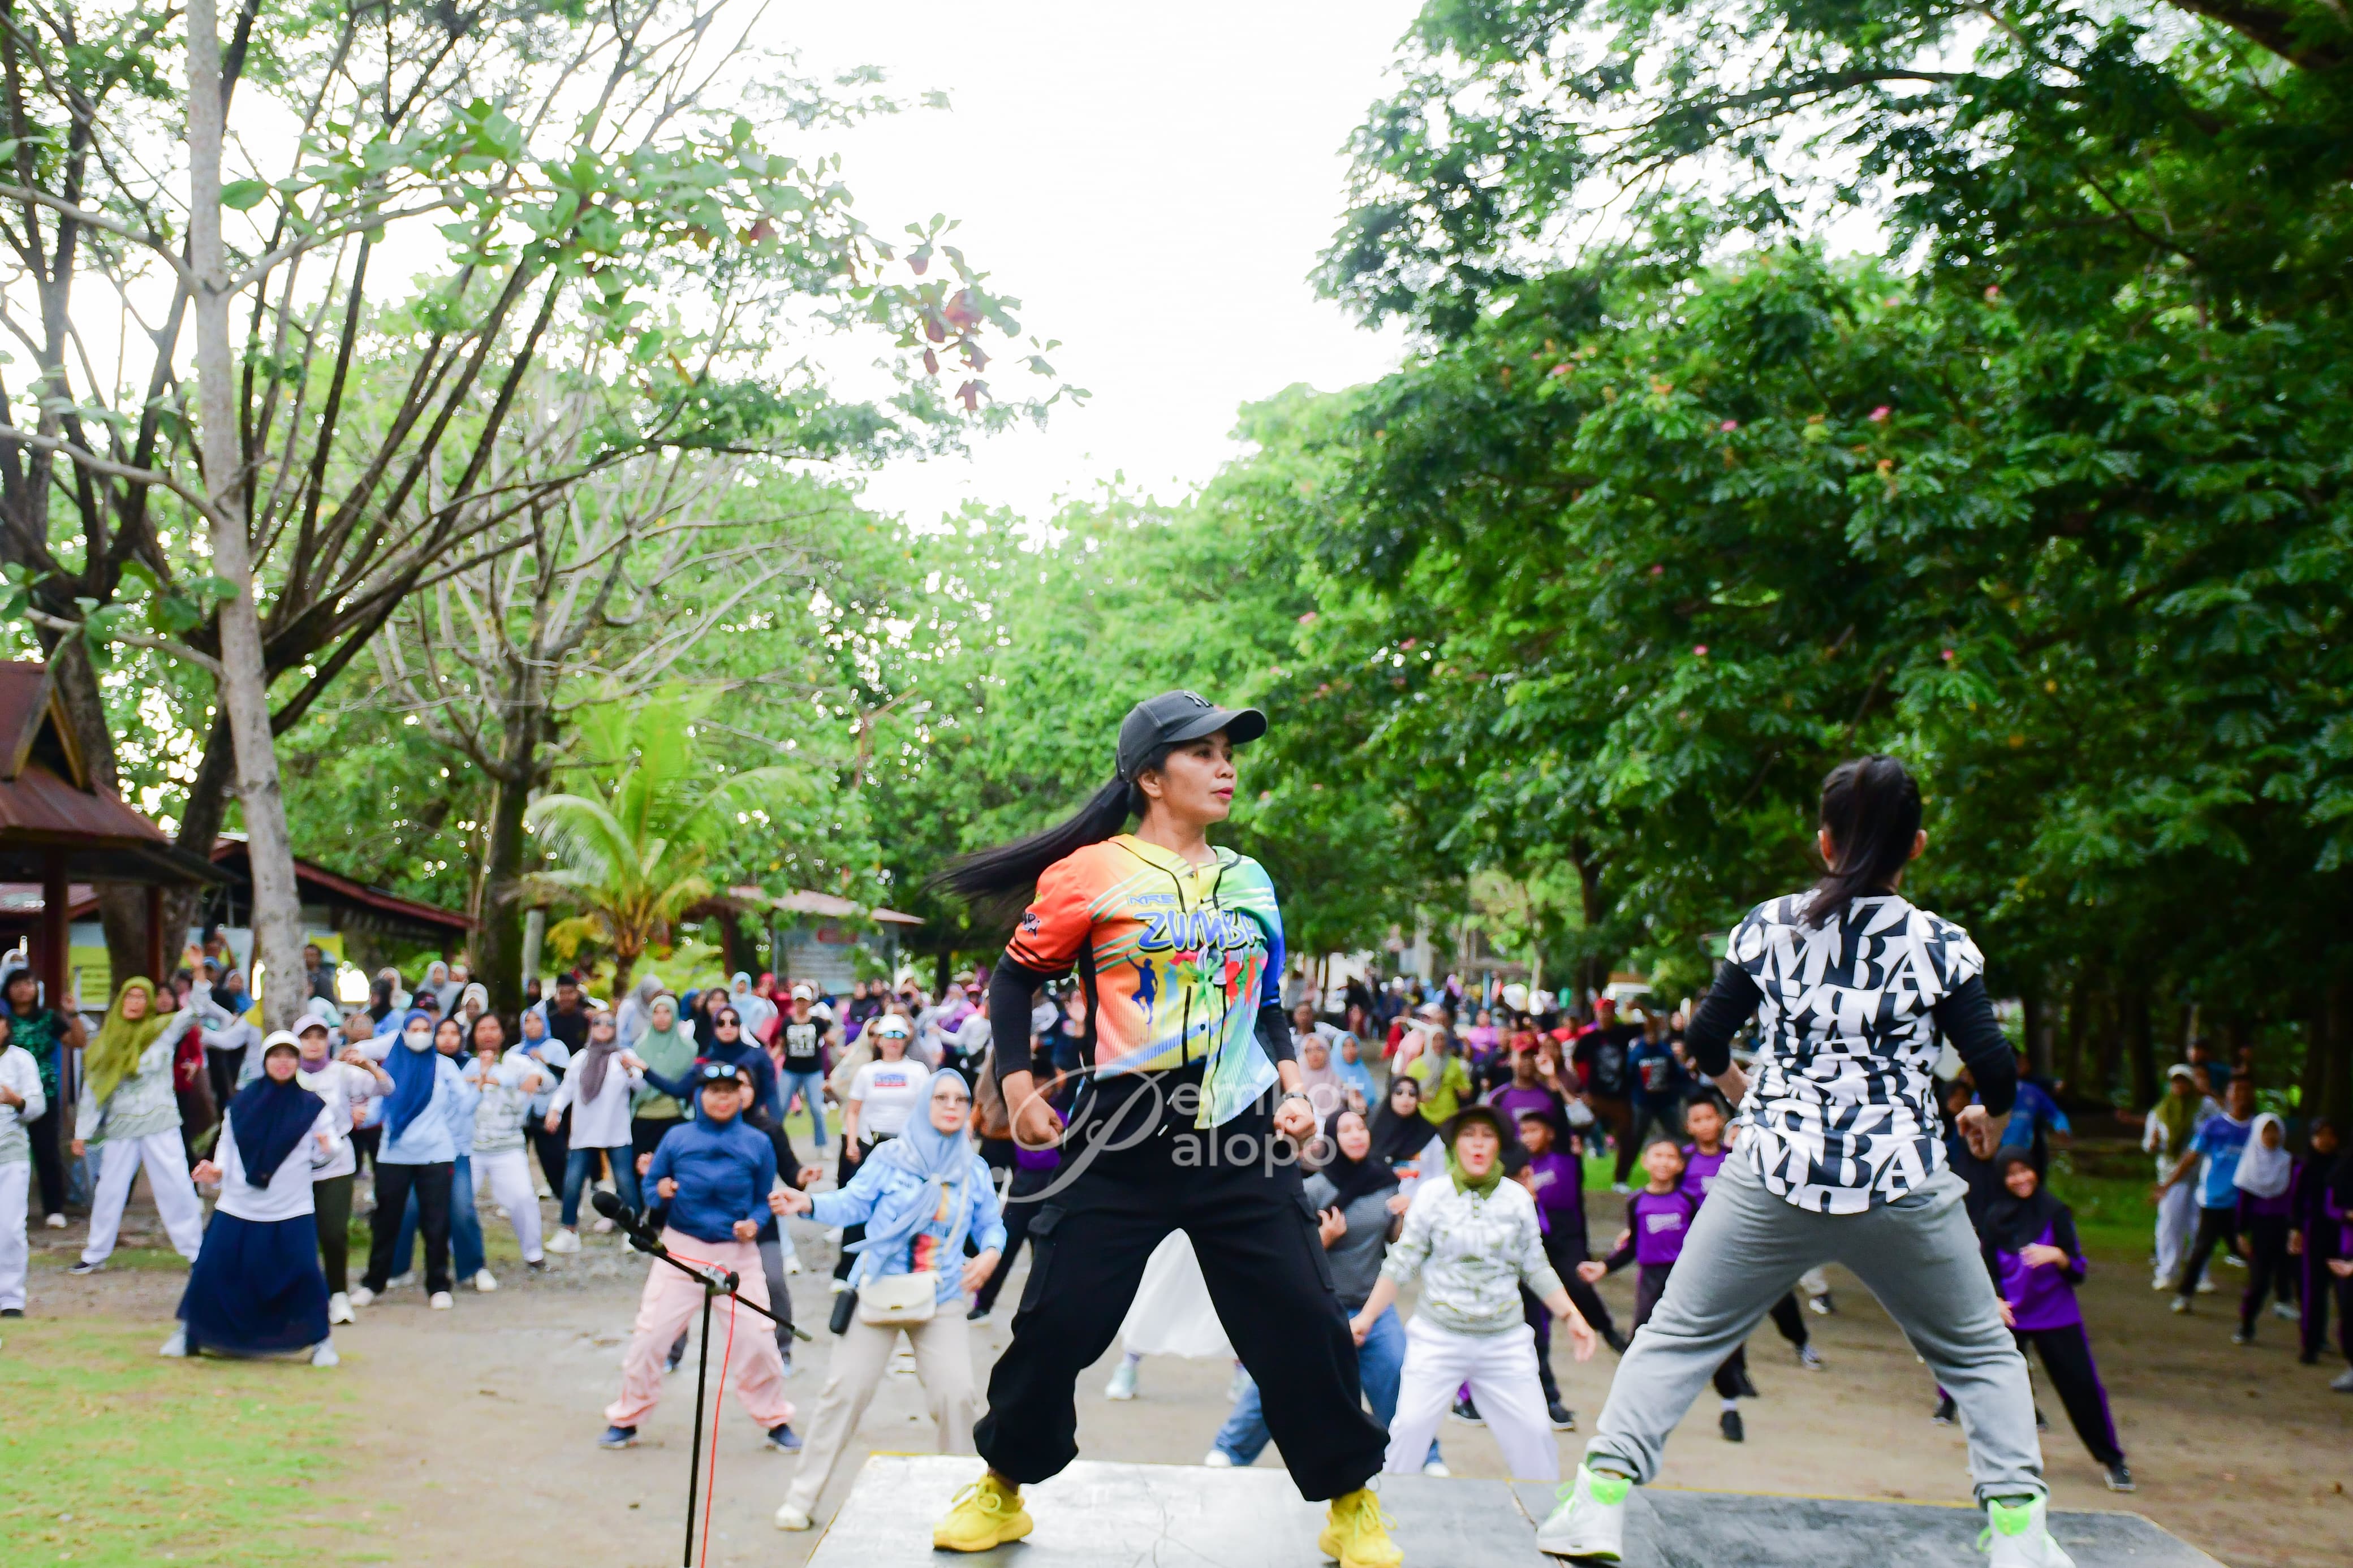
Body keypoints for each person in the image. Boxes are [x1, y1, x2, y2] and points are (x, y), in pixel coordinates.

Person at [1541, 755, 2062, 1568]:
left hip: (1774, 1170)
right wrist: (1983, 1120)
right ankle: (2022, 1537)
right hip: (1903, 1178)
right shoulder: (1939, 944)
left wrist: (1748, 1096)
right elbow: (1997, 1069)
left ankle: (1598, 1508)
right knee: (1979, 1353)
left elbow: (1706, 1040)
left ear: (1824, 843)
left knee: (1676, 1336)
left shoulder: (1772, 924)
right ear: (1916, 846)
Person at [926, 691, 1400, 1566]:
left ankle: (1352, 1502)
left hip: (1239, 1135)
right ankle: (1002, 1487)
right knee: (1060, 1319)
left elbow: (1264, 1008)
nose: (1227, 767)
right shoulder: (1089, 873)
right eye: (1205, 752)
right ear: (1151, 775)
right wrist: (1022, 1083)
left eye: (1231, 751)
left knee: (1302, 1316)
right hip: (1120, 1133)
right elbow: (1013, 981)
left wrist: (1295, 1091)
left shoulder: (1250, 881)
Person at [770, 1067, 1005, 1530]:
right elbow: (854, 1203)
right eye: (941, 1098)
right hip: (878, 1288)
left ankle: (960, 1501)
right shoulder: (890, 1157)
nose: (952, 1106)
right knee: (844, 1393)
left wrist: (992, 1253)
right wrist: (809, 1203)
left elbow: (991, 1224)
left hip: (941, 1295)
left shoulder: (972, 1168)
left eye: (960, 1099)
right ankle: (802, 1497)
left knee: (956, 1396)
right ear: (924, 1104)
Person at [1356, 1104, 1597, 1481]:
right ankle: (1389, 1517)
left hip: (1504, 1340)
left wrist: (1572, 1315)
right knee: (1409, 1429)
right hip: (1439, 1337)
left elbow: (1535, 1265)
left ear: (1499, 1145)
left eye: (1487, 1136)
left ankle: (1545, 1520)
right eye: (1469, 1135)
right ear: (1455, 1146)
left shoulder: (1517, 1198)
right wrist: (1367, 1318)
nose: (1478, 1144)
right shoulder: (1432, 1195)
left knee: (1535, 1434)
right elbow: (1401, 1263)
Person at [1206, 1107, 1447, 1475]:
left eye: (1361, 1128)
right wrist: (1326, 1236)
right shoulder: (1314, 1188)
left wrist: (1403, 1218)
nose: (1356, 1135)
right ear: (1331, 1139)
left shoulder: (1385, 1181)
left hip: (1371, 1307)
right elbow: (1290, 1251)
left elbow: (1392, 1240)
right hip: (1319, 1308)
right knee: (1282, 1375)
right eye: (1346, 1129)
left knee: (1395, 1372)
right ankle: (1231, 1449)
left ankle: (1425, 1455)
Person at [598, 1061, 799, 1453]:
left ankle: (776, 1419)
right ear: (699, 1096)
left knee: (759, 1342)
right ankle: (627, 1417)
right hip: (681, 1252)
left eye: (729, 1090)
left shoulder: (758, 1142)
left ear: (741, 1095)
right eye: (713, 1090)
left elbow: (763, 1199)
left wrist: (755, 1224)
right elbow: (651, 1185)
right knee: (650, 1338)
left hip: (737, 1256)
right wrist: (662, 1190)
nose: (722, 1098)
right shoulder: (677, 1136)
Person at [170, 1030, 341, 1364]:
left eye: (290, 1056)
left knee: (304, 1273)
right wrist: (217, 1172)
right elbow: (227, 1146)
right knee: (212, 1269)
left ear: (298, 1062)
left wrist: (327, 1149)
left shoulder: (312, 1107)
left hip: (292, 1206)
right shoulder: (242, 1102)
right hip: (238, 1204)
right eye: (276, 1056)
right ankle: (191, 1334)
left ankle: (320, 1341)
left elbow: (328, 1149)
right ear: (265, 1061)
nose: (283, 1063)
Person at [1981, 1152, 2131, 1491]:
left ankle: (2113, 1460)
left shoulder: (2055, 1212)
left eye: (2026, 1171)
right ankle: (2002, 1461)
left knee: (2082, 1387)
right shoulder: (1994, 1218)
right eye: (2012, 1174)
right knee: (1998, 1389)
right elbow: (1982, 1268)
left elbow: (2078, 1270)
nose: (2021, 1180)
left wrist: (2059, 1256)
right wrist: (1993, 1300)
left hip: (2055, 1313)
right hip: (2011, 1315)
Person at [70, 977, 206, 1273]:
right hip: (122, 1126)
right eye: (129, 996)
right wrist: (82, 1133)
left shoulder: (161, 1031)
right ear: (121, 1001)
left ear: (149, 1002)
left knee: (176, 1187)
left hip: (160, 1122)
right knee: (110, 1190)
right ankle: (95, 1253)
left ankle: (196, 1252)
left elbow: (195, 1011)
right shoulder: (106, 1041)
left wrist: (200, 975)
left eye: (141, 997)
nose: (134, 1003)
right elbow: (93, 1092)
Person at [1683, 1095, 1820, 1376]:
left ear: (1721, 1121)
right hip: (1706, 1246)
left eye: (1709, 1117)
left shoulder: (1739, 1156)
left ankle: (1801, 1341)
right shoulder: (1683, 1161)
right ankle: (1724, 1365)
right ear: (1689, 1127)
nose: (1705, 1124)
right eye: (1697, 1120)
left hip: (1747, 1239)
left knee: (1778, 1297)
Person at [351, 1008, 468, 1309]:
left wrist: (450, 1132)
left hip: (436, 1155)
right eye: (413, 1029)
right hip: (394, 1154)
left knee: (436, 1222)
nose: (419, 1035)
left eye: (424, 1029)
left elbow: (465, 1103)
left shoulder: (444, 1067)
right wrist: (359, 1118)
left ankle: (438, 1285)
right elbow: (380, 1107)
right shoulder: (392, 1068)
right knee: (387, 1219)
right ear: (403, 1034)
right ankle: (374, 1282)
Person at [292, 1014, 390, 1325]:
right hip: (294, 1165)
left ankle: (338, 1295)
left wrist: (369, 1065)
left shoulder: (341, 1073)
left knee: (333, 1232)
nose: (313, 1043)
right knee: (297, 1234)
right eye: (307, 1037)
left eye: (319, 1036)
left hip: (336, 1162)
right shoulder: (287, 1073)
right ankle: (301, 1297)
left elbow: (386, 1088)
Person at [544, 1011, 645, 1253]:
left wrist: (630, 1070)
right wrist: (554, 1111)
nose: (603, 1027)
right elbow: (566, 1089)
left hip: (615, 1130)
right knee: (572, 1182)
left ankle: (635, 1231)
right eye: (598, 1023)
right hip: (584, 1132)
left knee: (625, 1181)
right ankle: (568, 1231)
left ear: (616, 1028)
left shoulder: (624, 1056)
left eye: (609, 1023)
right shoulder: (581, 1057)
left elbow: (641, 1085)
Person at [2162, 1073, 2257, 1311]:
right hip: (2215, 1200)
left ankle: (2271, 1296)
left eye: (2245, 1091)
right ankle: (2184, 1295)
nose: (2240, 1097)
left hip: (2246, 1201)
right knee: (2202, 1248)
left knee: (2250, 1250)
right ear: (2227, 1095)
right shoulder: (2214, 1126)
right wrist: (2168, 1184)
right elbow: (2190, 1158)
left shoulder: (2259, 1127)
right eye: (2236, 1091)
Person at [1, 962, 81, 1229]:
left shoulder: (48, 1018)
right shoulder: (4, 1018)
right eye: (17, 985)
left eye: (28, 984)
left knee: (47, 1151)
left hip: (43, 1094)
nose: (24, 990)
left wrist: (74, 1014)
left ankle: (53, 1208)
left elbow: (78, 1041)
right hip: (5, 1097)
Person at [468, 1017, 549, 1276]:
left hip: (508, 1146)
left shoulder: (515, 1061)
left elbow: (547, 1081)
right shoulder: (464, 1063)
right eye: (483, 1029)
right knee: (457, 1202)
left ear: (503, 1033)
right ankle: (461, 1257)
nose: (488, 1034)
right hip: (468, 1148)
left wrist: (536, 1077)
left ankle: (534, 1253)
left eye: (494, 1028)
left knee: (524, 1197)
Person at [2230, 1112, 2295, 1345]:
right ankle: (2246, 1325)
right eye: (2266, 1131)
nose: (2271, 1136)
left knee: (2297, 1278)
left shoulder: (2289, 1163)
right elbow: (2242, 1204)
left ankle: (2312, 1336)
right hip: (2259, 1230)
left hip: (2286, 1228)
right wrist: (2240, 1233)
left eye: (2275, 1130)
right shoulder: (2249, 1165)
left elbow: (2297, 1197)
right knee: (2258, 1281)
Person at [0, 1012, 48, 1315]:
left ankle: (11, 1299)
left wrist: (16, 1101)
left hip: (11, 1154)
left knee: (9, 1228)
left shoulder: (21, 1060)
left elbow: (38, 1106)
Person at [2144, 1064, 2204, 1291]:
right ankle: (2167, 1271)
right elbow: (2150, 1143)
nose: (2179, 1086)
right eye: (2175, 1081)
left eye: (2183, 1081)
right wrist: (2153, 1143)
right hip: (2170, 1173)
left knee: (2197, 1224)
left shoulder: (2203, 1108)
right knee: (2170, 1221)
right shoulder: (2160, 1111)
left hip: (2198, 1173)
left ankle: (2199, 1274)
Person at [2292, 1118, 2345, 1368]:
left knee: (2343, 1292)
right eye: (2320, 1134)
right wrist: (2296, 1229)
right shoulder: (2305, 1166)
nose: (2325, 1140)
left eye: (2330, 1134)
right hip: (2314, 1232)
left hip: (2342, 1234)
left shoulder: (2343, 1166)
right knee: (2313, 1290)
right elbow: (2296, 1200)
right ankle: (2310, 1343)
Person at [774, 984, 831, 1151]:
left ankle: (822, 1145)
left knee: (816, 1107)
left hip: (813, 1070)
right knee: (781, 1107)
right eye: (798, 1001)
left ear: (809, 1002)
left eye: (804, 1001)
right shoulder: (788, 1022)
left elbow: (829, 1039)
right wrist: (769, 1058)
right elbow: (781, 1045)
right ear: (794, 1002)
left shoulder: (817, 1022)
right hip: (791, 1069)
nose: (801, 1004)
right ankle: (776, 1143)